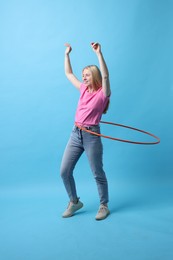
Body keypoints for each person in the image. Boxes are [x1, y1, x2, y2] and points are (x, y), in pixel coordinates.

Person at [60, 42, 111, 220]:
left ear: (94, 76)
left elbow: (105, 76)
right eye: (83, 75)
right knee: (64, 171)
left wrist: (99, 54)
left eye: (87, 75)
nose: (84, 77)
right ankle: (74, 202)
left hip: (91, 135)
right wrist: (67, 55)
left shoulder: (102, 94)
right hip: (76, 134)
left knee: (97, 172)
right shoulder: (83, 89)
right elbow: (68, 73)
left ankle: (104, 205)